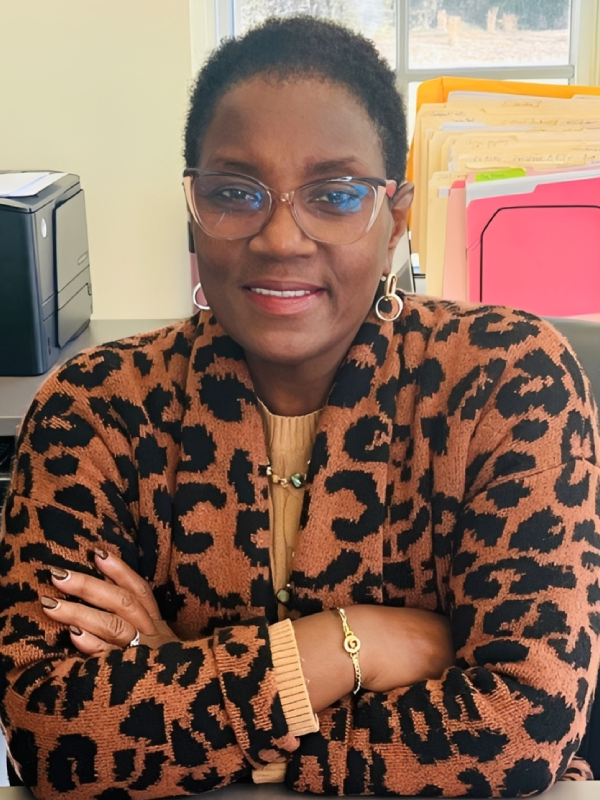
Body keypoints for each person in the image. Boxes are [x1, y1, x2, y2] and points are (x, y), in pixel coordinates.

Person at [0, 15, 599, 800]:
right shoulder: (96, 410)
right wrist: (359, 645)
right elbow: (53, 738)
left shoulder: (504, 381)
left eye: (338, 194)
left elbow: (523, 726)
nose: (282, 236)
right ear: (193, 209)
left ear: (396, 220)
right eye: (234, 192)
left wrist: (179, 677)